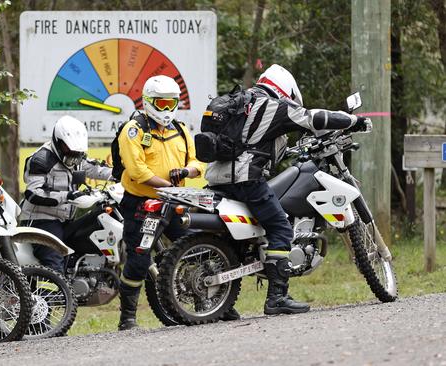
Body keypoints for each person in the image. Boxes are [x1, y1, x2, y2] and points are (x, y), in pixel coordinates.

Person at [205, 64, 372, 315]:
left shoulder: (243, 103)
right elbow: (315, 118)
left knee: (233, 238)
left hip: (217, 178)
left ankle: (222, 302)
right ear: (286, 90)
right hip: (246, 179)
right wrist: (353, 120)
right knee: (281, 227)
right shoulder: (277, 105)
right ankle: (277, 298)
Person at [115, 75, 233, 331]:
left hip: (175, 202)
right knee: (138, 258)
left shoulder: (180, 130)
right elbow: (137, 171)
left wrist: (187, 172)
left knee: (197, 248)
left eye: (171, 103)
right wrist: (167, 184)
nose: (166, 109)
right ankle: (127, 318)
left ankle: (216, 304)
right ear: (148, 102)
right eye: (161, 103)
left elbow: (197, 161)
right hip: (142, 203)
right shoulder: (134, 130)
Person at [19, 115, 112, 272]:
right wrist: (68, 196)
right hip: (41, 221)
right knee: (54, 261)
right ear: (58, 141)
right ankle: (51, 295)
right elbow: (33, 193)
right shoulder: (41, 160)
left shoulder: (76, 155)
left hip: (64, 220)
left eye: (77, 153)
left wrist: (120, 174)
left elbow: (93, 168)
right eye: (68, 150)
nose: (73, 156)